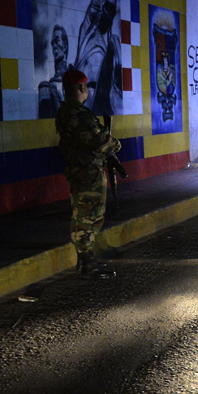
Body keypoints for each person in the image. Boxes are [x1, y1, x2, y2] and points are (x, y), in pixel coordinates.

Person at [55, 69, 120, 279]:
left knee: (86, 215)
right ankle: (86, 261)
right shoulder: (77, 113)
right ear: (82, 87)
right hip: (87, 172)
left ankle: (87, 260)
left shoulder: (68, 111)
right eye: (86, 87)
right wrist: (115, 144)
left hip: (83, 170)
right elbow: (97, 139)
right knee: (88, 216)